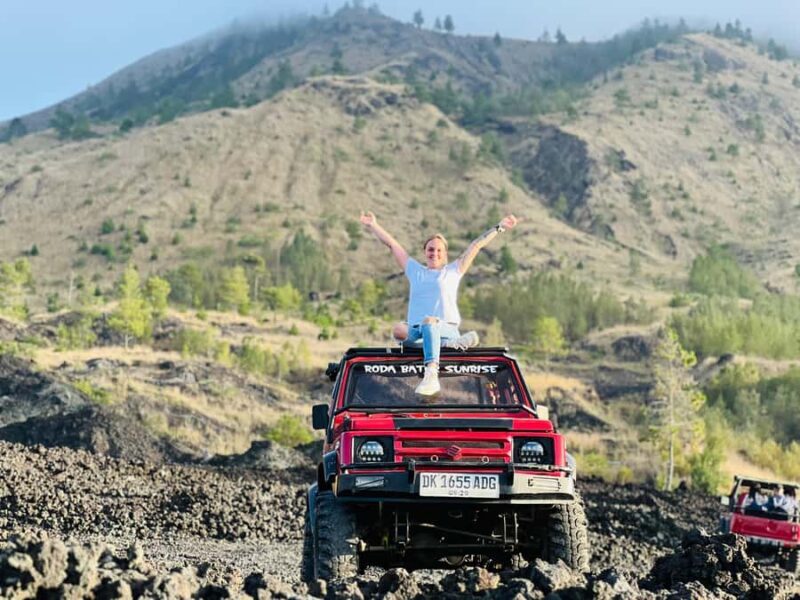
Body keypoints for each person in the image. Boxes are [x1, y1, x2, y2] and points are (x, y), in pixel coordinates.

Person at [360, 210, 519, 395]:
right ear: (425, 252)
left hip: (445, 327)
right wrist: (373, 225)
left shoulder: (453, 271)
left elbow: (476, 245)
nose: (434, 253)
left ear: (444, 254)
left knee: (430, 321)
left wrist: (499, 228)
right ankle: (447, 345)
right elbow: (392, 244)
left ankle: (431, 373)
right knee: (399, 330)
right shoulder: (415, 270)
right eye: (430, 249)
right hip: (419, 331)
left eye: (438, 250)